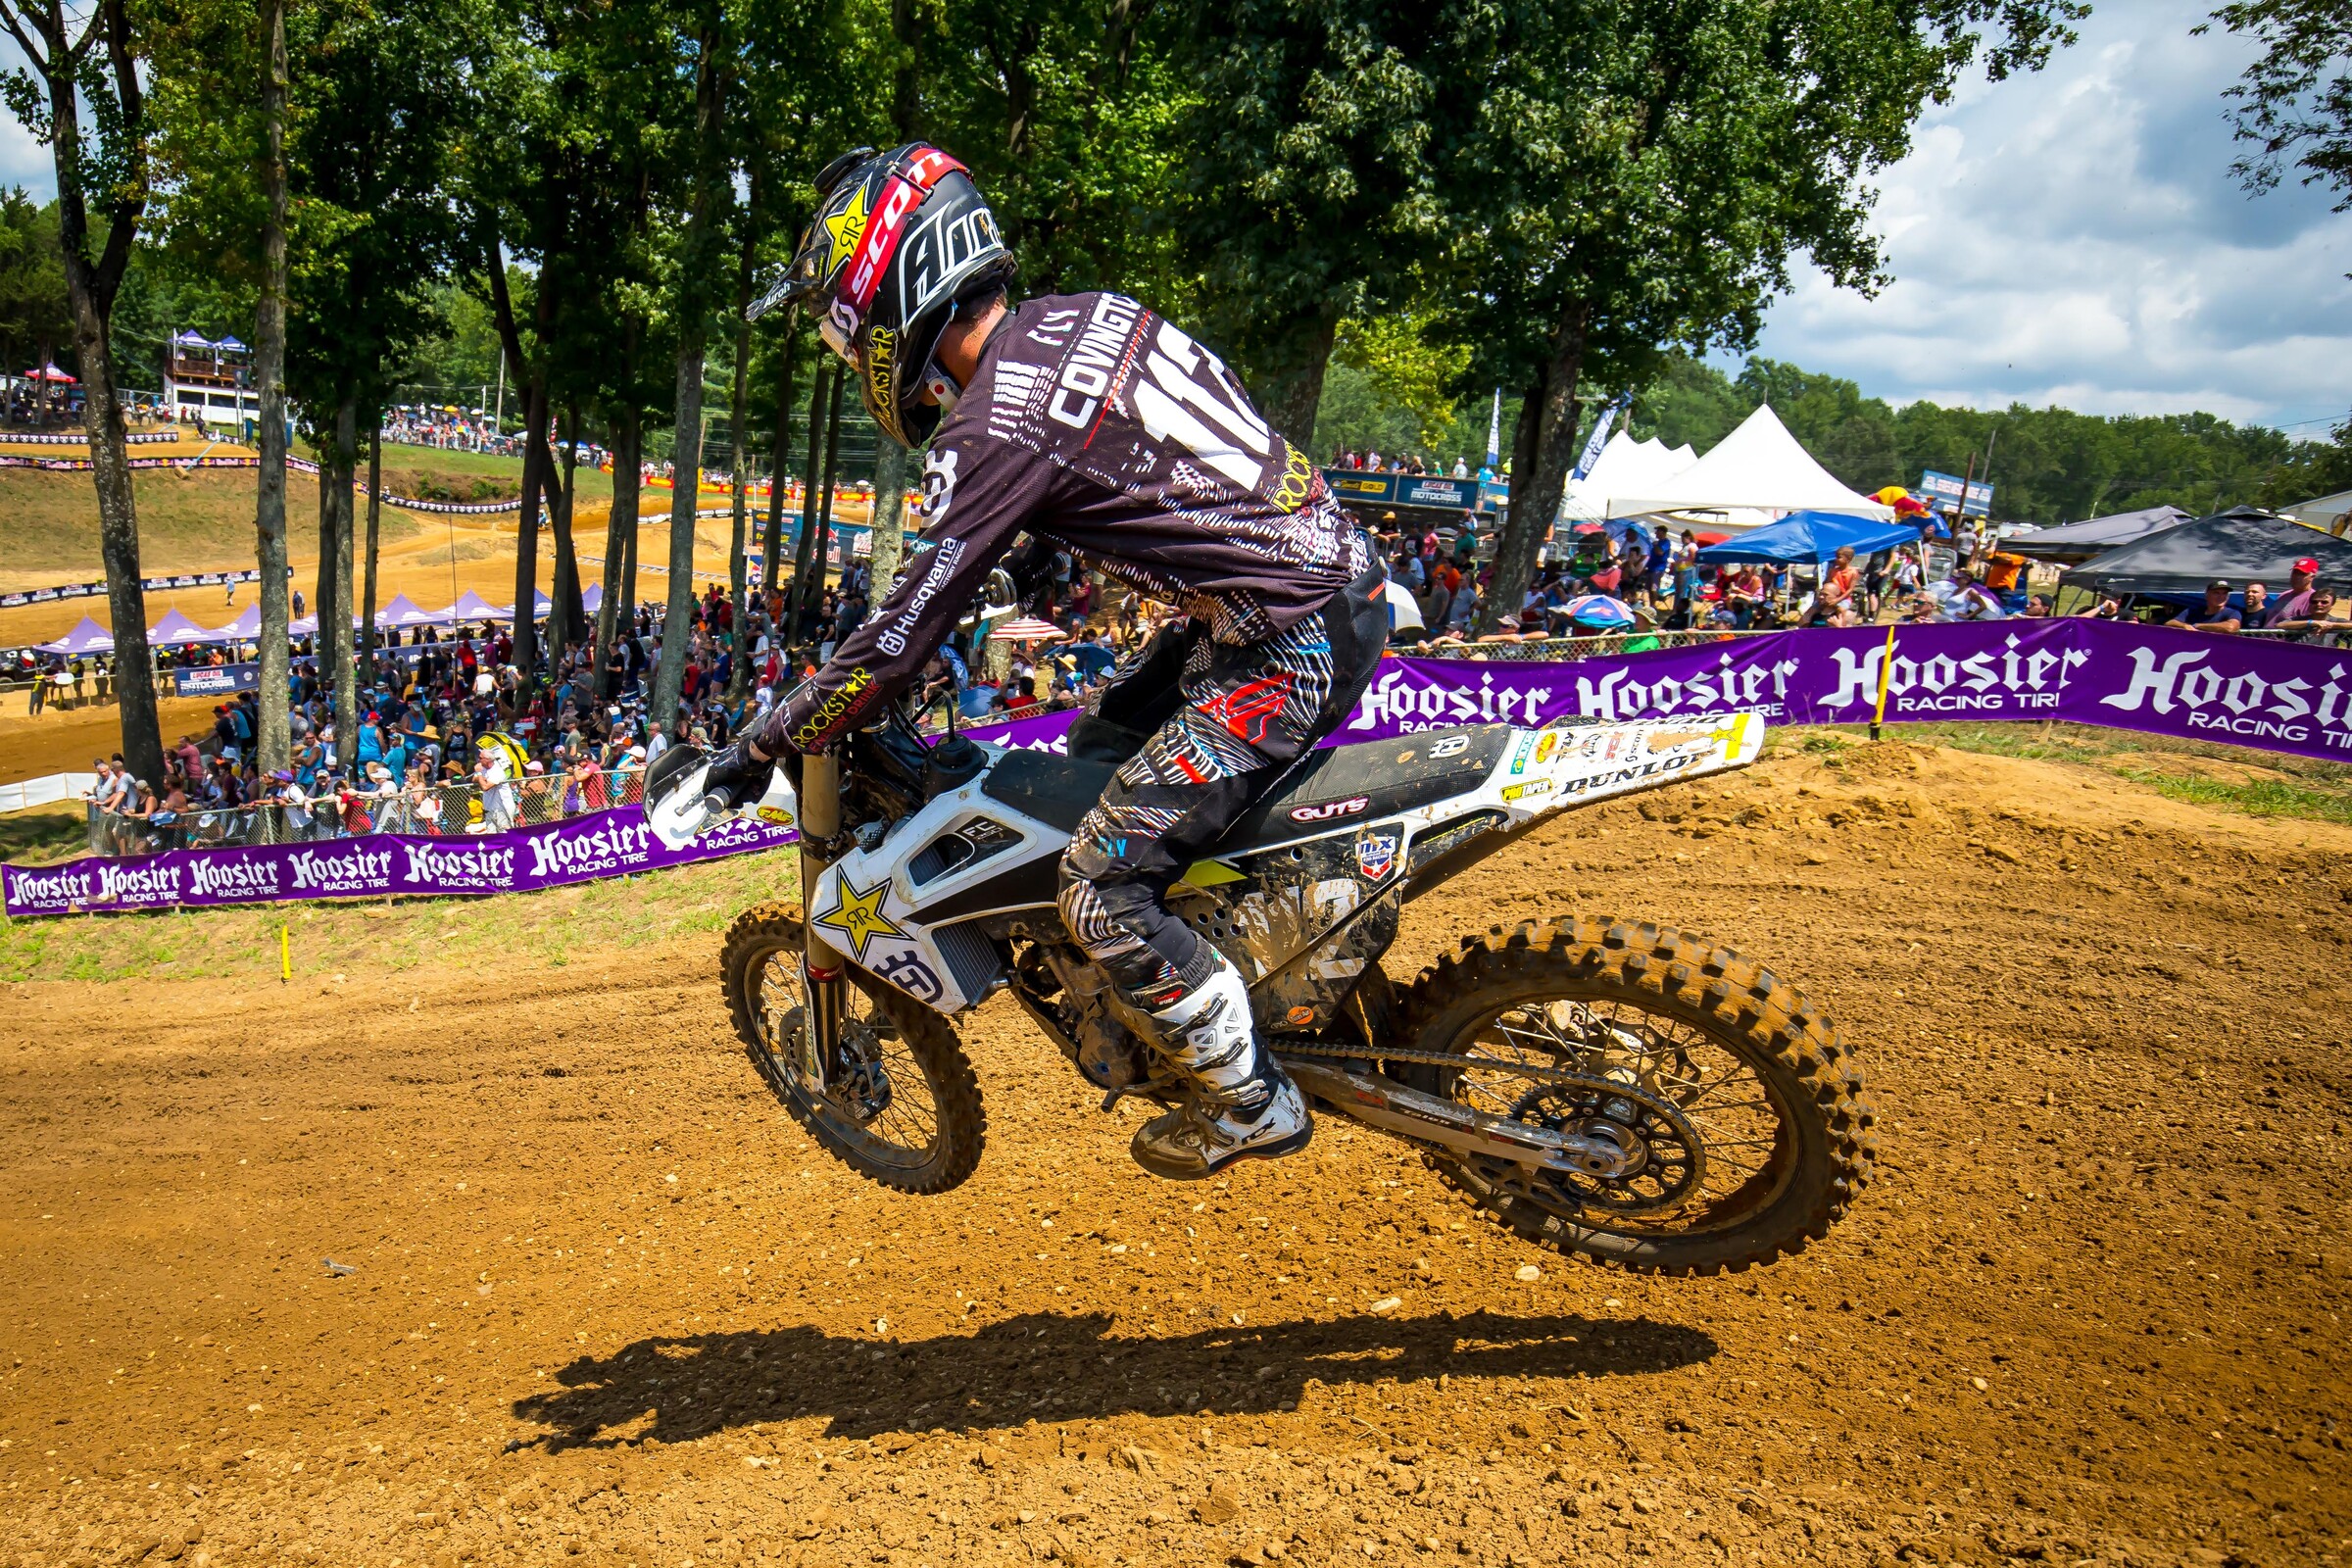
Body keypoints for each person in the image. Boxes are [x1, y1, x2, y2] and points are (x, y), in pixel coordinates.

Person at [701, 141, 1386, 1180]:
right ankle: (1241, 947)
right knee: (1095, 746)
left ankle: (1249, 1097)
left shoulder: (993, 425)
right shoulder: (1087, 318)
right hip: (1315, 585)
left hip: (1282, 644)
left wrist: (765, 738)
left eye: (847, 336)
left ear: (888, 297)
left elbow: (893, 645)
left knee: (1100, 883)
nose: (857, 360)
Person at [2170, 579, 2241, 633]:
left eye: (2224, 593)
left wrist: (2197, 626)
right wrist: (2184, 626)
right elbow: (2170, 623)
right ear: (2207, 595)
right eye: (2216, 593)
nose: (2221, 597)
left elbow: (2231, 627)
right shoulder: (2193, 611)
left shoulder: (2232, 613)